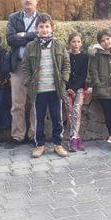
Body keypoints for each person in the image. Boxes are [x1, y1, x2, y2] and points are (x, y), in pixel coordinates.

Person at [22, 14, 70, 158]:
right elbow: (25, 66)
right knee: (39, 119)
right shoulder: (30, 46)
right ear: (36, 29)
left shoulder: (59, 45)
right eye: (41, 27)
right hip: (38, 90)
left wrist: (63, 80)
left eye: (47, 26)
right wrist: (28, 82)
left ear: (52, 28)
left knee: (57, 118)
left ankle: (58, 144)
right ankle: (40, 145)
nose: (44, 29)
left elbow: (66, 64)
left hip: (55, 89)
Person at [7, 0, 40, 144]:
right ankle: (18, 135)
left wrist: (25, 34)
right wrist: (32, 36)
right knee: (17, 103)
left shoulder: (43, 17)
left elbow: (45, 36)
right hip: (18, 66)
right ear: (20, 0)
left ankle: (34, 135)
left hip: (38, 66)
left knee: (35, 102)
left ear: (36, 0)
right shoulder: (14, 18)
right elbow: (10, 39)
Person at [64, 32, 88, 152]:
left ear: (81, 43)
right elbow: (64, 72)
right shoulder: (65, 56)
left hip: (78, 88)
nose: (76, 44)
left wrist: (74, 88)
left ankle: (74, 136)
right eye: (73, 41)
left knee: (77, 108)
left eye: (78, 41)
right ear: (69, 43)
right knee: (69, 108)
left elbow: (83, 75)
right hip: (66, 88)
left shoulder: (84, 57)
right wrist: (68, 88)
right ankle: (75, 138)